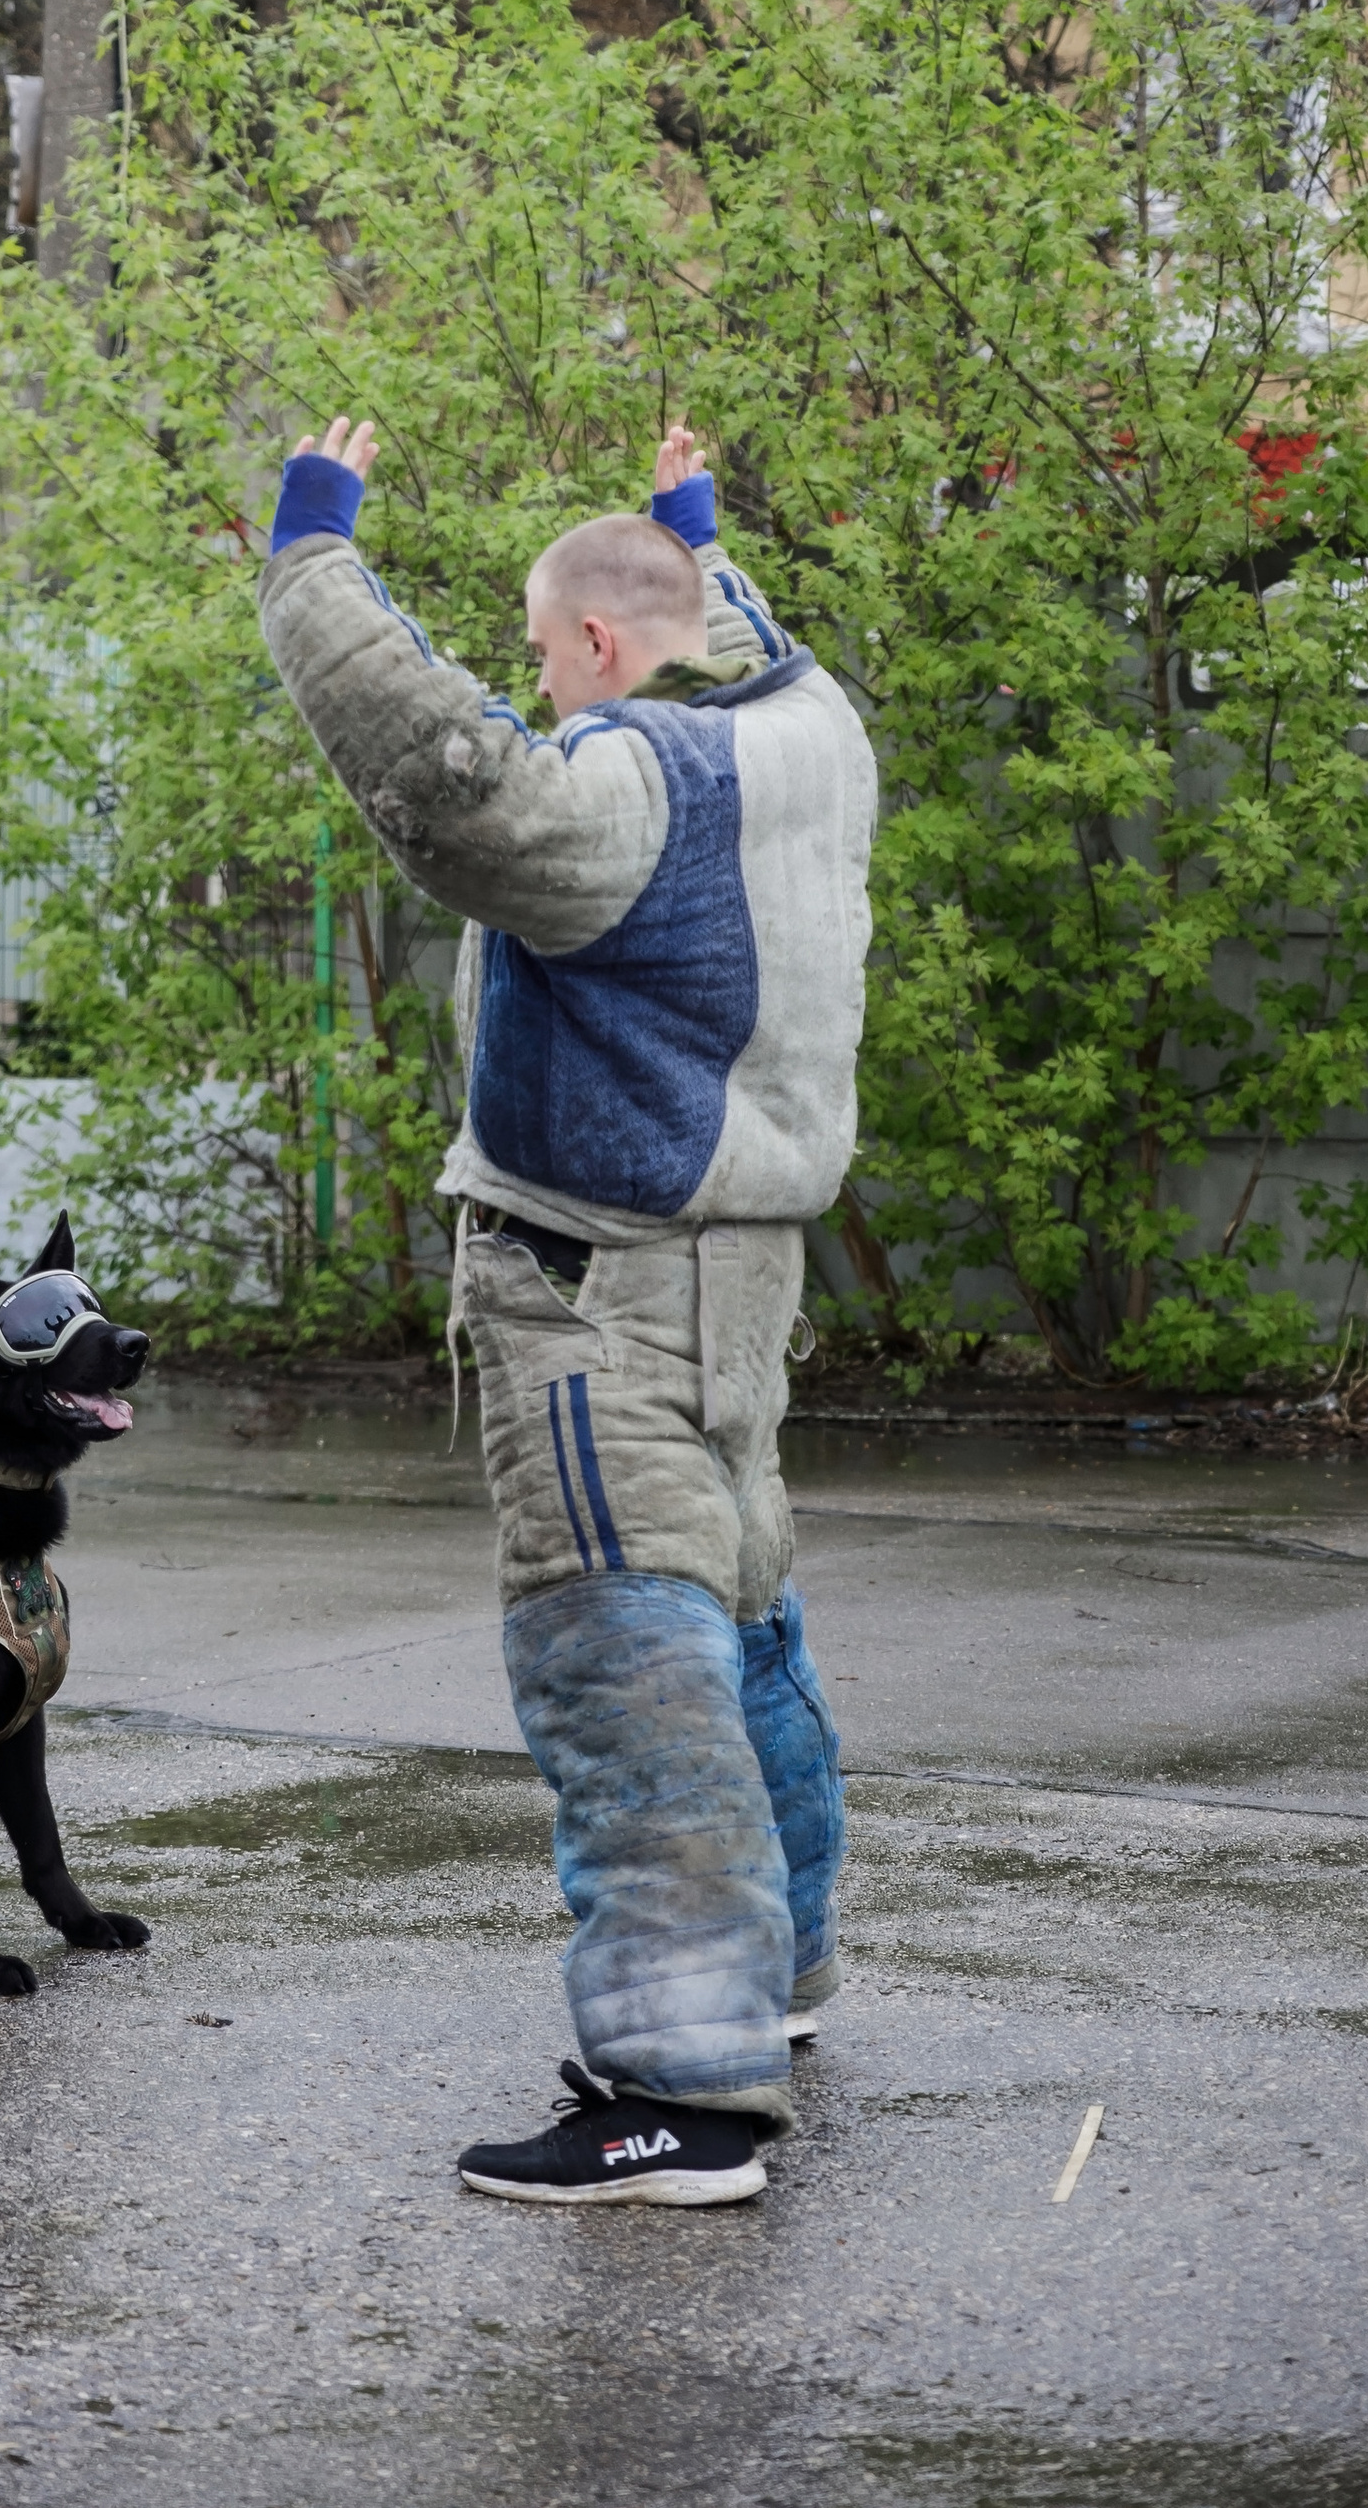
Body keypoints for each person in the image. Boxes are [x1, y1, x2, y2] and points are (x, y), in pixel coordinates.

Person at [257, 416, 877, 2208]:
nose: (537, 684)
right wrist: (694, 526)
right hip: (743, 1265)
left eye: (544, 651)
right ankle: (780, 1973)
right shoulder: (810, 731)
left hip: (602, 1277)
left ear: (601, 643)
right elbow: (736, 631)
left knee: (624, 1650)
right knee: (738, 1611)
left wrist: (313, 559)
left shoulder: (629, 789)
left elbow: (458, 785)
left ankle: (679, 2089)